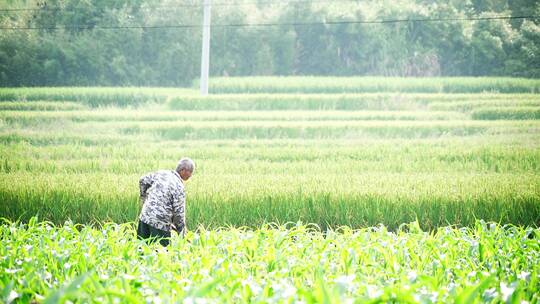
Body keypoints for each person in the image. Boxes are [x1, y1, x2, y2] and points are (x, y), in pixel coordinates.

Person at [136, 158, 195, 246]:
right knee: (161, 255)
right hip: (160, 225)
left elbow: (143, 180)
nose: (190, 176)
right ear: (184, 171)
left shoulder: (162, 173)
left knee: (142, 250)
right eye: (191, 172)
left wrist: (144, 198)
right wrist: (182, 234)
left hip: (144, 217)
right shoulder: (179, 186)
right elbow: (179, 214)